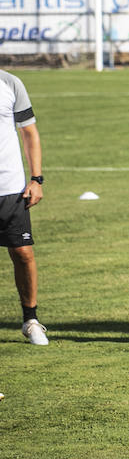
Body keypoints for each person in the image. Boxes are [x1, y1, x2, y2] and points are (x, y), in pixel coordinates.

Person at [0, 70, 44, 346]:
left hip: (11, 188)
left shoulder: (10, 83)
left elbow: (29, 132)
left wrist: (36, 179)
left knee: (23, 254)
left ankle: (31, 320)